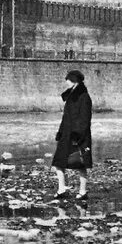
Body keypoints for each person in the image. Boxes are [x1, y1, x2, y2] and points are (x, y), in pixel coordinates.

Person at [51, 69, 93, 199]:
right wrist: (60, 132)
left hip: (78, 136)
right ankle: (61, 189)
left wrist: (78, 135)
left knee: (81, 164)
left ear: (75, 81)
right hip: (66, 135)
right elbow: (66, 118)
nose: (66, 83)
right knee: (58, 162)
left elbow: (85, 119)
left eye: (68, 80)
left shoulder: (84, 97)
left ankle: (83, 191)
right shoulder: (71, 96)